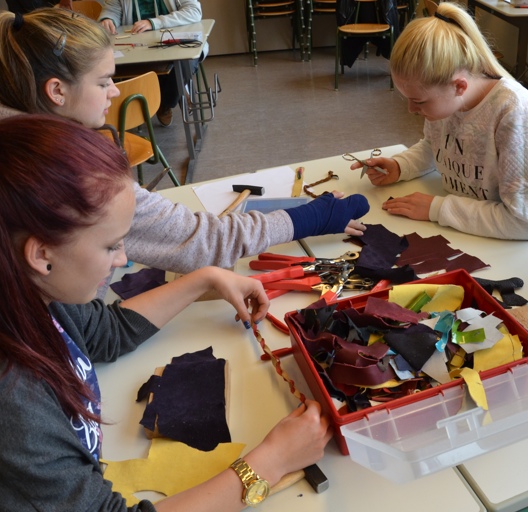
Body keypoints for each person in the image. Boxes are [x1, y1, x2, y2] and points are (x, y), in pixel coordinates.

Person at [0, 115, 332, 511]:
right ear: (41, 254)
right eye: (110, 246)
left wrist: (204, 278)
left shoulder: (34, 298)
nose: (123, 260)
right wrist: (269, 463)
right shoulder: (16, 403)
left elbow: (105, 331)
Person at [0, 8, 369, 296]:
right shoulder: (65, 171)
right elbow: (201, 240)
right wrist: (312, 217)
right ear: (57, 91)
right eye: (103, 81)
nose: (114, 91)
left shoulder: (24, 140)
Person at [348, 2, 528, 246]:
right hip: (462, 229)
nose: (411, 110)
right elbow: (435, 146)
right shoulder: (447, 103)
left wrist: (437, 208)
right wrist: (400, 165)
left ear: (459, 86)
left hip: (510, 245)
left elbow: (527, 221)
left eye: (419, 101)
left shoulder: (514, 113)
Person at [99, 0, 201, 127]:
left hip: (173, 42)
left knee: (184, 64)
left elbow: (194, 11)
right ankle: (172, 95)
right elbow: (112, 11)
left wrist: (155, 22)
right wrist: (108, 19)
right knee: (113, 65)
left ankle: (165, 104)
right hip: (136, 48)